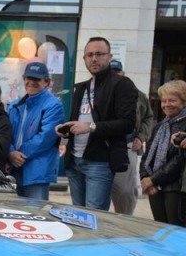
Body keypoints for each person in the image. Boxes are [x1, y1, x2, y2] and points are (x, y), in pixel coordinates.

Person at [56, 37, 137, 211]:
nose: (94, 58)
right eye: (89, 55)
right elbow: (78, 119)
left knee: (94, 216)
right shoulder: (80, 87)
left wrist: (91, 127)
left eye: (99, 54)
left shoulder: (122, 84)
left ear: (109, 56)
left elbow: (128, 124)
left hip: (100, 161)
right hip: (74, 160)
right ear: (84, 58)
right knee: (78, 214)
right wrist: (66, 130)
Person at [7, 61, 63, 200]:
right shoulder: (14, 105)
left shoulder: (53, 105)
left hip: (36, 172)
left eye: (36, 79)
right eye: (28, 78)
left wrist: (18, 155)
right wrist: (10, 152)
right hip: (14, 169)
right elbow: (5, 133)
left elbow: (45, 138)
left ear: (47, 82)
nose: (31, 82)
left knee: (35, 215)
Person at [109, 60, 154, 215]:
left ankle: (124, 225)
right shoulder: (98, 91)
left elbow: (149, 118)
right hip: (101, 148)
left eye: (117, 71)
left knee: (125, 192)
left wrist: (141, 137)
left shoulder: (138, 95)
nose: (115, 75)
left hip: (128, 146)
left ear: (123, 73)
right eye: (111, 71)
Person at [139, 80, 186, 225]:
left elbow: (178, 160)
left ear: (184, 101)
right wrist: (145, 177)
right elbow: (147, 156)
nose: (166, 105)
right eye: (164, 101)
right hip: (155, 188)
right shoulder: (159, 126)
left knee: (175, 232)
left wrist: (153, 180)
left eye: (172, 100)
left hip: (175, 188)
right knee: (159, 229)